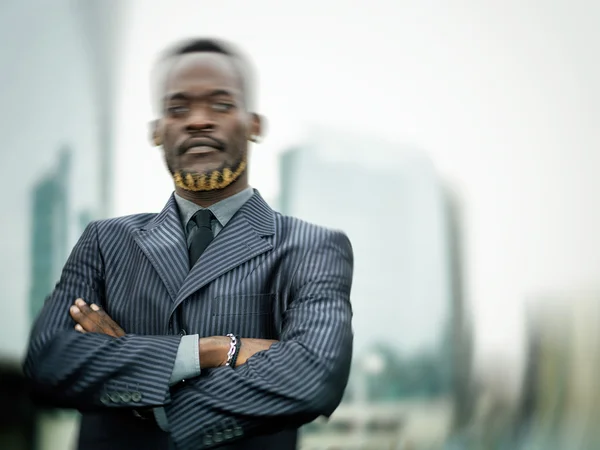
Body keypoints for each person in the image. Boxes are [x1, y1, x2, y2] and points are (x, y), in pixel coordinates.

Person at [23, 38, 354, 450]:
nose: (198, 120)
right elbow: (49, 362)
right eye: (178, 108)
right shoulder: (104, 241)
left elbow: (313, 376)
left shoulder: (310, 247)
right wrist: (216, 349)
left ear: (254, 124)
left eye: (220, 104)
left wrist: (143, 387)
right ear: (157, 131)